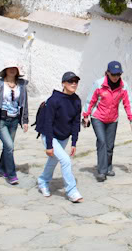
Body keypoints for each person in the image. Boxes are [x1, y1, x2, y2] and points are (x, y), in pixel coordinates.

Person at [83, 61, 132, 181]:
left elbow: (128, 103)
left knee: (110, 145)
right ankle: (102, 172)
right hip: (98, 117)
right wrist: (86, 115)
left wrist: (131, 120)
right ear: (107, 73)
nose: (116, 77)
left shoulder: (123, 86)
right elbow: (90, 100)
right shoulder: (99, 84)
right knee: (102, 141)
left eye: (118, 74)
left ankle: (108, 167)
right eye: (113, 74)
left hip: (113, 119)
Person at [37, 72, 84, 202]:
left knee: (53, 161)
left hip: (64, 137)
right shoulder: (54, 100)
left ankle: (43, 181)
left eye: (76, 81)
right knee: (65, 160)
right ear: (63, 83)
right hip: (50, 136)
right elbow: (48, 123)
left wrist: (74, 142)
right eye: (70, 81)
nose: (74, 84)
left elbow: (76, 123)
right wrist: (49, 146)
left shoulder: (76, 100)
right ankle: (72, 191)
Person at [0, 63, 29, 185]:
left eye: (14, 68)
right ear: (5, 70)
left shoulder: (21, 85)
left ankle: (1, 169)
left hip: (14, 120)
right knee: (9, 146)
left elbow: (24, 103)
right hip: (1, 120)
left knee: (7, 147)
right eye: (10, 68)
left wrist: (25, 120)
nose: (12, 70)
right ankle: (11, 174)